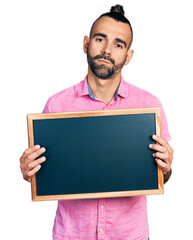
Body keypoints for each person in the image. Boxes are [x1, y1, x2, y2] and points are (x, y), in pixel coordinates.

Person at [20, 4, 173, 240]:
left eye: (118, 44)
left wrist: (166, 168)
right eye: (100, 39)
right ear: (85, 44)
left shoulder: (149, 106)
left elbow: (161, 175)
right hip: (72, 235)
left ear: (128, 55)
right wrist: (29, 171)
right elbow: (44, 174)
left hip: (130, 235)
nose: (107, 50)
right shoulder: (56, 106)